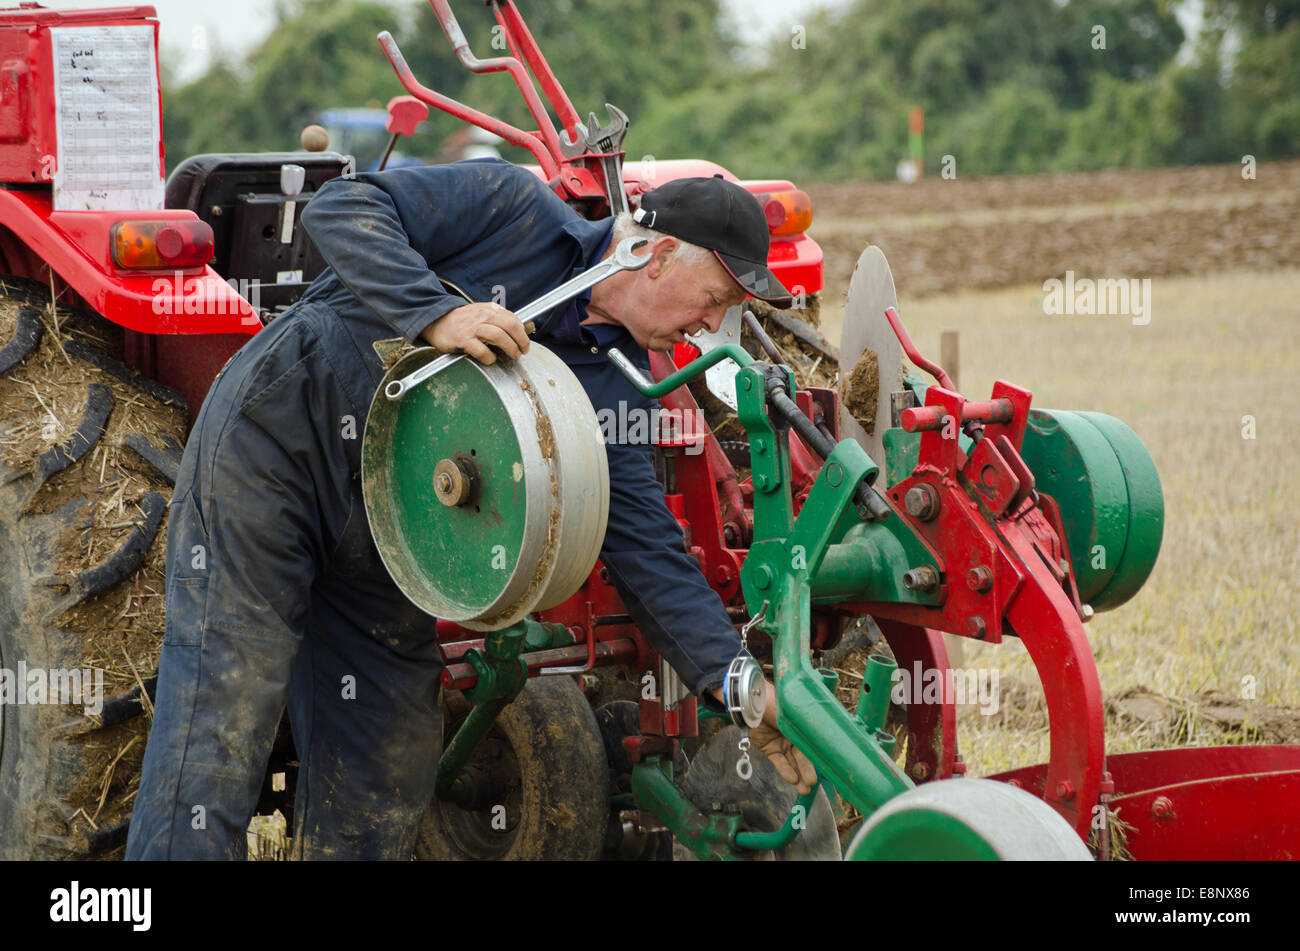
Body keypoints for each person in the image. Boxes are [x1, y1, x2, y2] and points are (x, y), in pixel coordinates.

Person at [125, 159, 815, 860]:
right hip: (273, 454)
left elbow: (648, 553)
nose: (711, 324)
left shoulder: (612, 387)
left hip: (390, 537)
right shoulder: (511, 210)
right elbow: (339, 210)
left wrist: (743, 689)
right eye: (715, 296)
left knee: (381, 761)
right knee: (224, 718)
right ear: (660, 255)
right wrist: (438, 314)